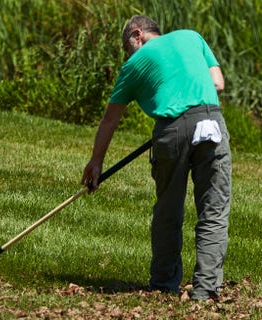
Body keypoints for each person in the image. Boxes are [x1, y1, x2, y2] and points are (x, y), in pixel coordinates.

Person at [81, 15, 232, 301]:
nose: (129, 55)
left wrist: (96, 162)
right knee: (213, 211)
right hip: (211, 123)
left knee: (168, 211)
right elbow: (218, 83)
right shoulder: (191, 35)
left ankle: (164, 285)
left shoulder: (134, 64)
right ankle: (205, 290)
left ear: (137, 35)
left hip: (170, 131)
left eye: (128, 47)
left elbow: (110, 119)